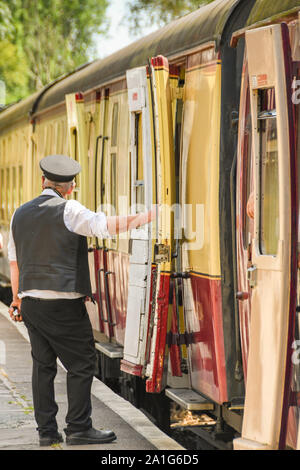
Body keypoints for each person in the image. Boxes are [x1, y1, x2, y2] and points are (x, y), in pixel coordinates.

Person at [7, 154, 155, 447]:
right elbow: (104, 226)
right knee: (82, 363)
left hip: (32, 302)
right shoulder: (69, 209)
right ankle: (78, 427)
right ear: (70, 187)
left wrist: (16, 300)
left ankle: (46, 431)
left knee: (43, 366)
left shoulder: (19, 214)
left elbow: (14, 263)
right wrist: (144, 217)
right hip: (63, 304)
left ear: (42, 182)